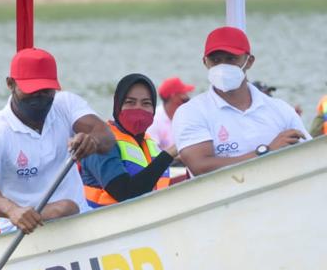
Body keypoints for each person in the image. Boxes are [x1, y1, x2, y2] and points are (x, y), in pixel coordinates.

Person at [0, 48, 115, 235]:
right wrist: (12, 210)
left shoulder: (66, 105)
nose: (39, 97)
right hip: (22, 232)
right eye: (32, 90)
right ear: (10, 83)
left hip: (78, 222)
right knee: (64, 208)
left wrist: (91, 141)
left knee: (66, 208)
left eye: (45, 90)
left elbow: (106, 136)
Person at [173, 26, 309, 176]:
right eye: (215, 60)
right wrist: (266, 152)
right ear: (205, 62)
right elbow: (201, 167)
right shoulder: (191, 112)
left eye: (231, 59)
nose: (222, 66)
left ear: (249, 61)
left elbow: (310, 155)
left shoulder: (281, 109)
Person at [80, 74, 176, 208]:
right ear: (117, 106)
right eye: (130, 102)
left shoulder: (150, 144)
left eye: (146, 103)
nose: (138, 109)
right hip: (106, 224)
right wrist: (170, 153)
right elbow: (125, 192)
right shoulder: (99, 142)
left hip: (148, 218)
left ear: (154, 109)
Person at [148, 76, 194, 151]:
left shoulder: (187, 116)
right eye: (184, 93)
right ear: (173, 96)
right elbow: (153, 156)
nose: (187, 97)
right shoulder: (153, 121)